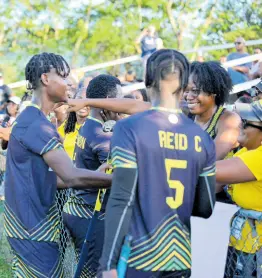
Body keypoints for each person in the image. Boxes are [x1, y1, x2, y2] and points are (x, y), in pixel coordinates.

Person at [98, 49, 216, 278]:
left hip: (139, 259)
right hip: (180, 259)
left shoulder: (129, 128)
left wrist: (107, 265)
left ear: (147, 80)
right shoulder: (202, 138)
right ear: (184, 84)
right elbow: (206, 207)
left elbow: (122, 200)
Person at [4, 52, 112, 278]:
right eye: (63, 77)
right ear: (45, 79)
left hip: (31, 227)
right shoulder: (36, 125)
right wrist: (119, 178)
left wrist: (95, 175)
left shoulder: (36, 120)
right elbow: (71, 176)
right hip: (32, 229)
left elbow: (49, 178)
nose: (69, 84)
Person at [63, 74, 121, 277]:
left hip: (77, 209)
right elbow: (119, 178)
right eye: (118, 100)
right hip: (90, 215)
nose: (121, 106)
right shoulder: (103, 138)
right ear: (106, 103)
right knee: (95, 273)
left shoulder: (88, 125)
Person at [215, 99, 262, 277]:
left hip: (257, 253)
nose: (239, 126)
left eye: (247, 122)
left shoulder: (259, 158)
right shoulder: (247, 152)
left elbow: (209, 170)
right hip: (242, 245)